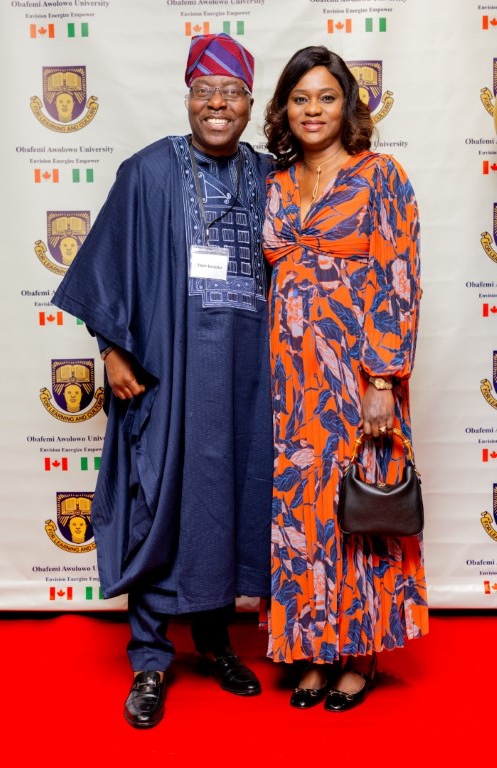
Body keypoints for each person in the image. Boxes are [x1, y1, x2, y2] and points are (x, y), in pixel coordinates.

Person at [52, 33, 274, 728]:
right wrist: (111, 351)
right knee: (160, 500)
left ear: (249, 103)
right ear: (188, 98)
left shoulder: (270, 176)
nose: (217, 104)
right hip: (168, 372)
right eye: (205, 91)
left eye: (231, 92)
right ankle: (150, 658)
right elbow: (108, 267)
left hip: (246, 376)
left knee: (226, 501)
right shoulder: (147, 172)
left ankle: (214, 640)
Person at [262, 45, 428, 712]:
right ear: (284, 109)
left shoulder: (381, 176)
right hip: (288, 380)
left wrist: (382, 378)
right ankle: (311, 648)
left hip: (355, 375)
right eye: (300, 98)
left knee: (360, 510)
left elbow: (399, 275)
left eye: (326, 97)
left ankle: (360, 653)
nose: (313, 110)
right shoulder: (275, 185)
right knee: (301, 511)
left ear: (347, 106)